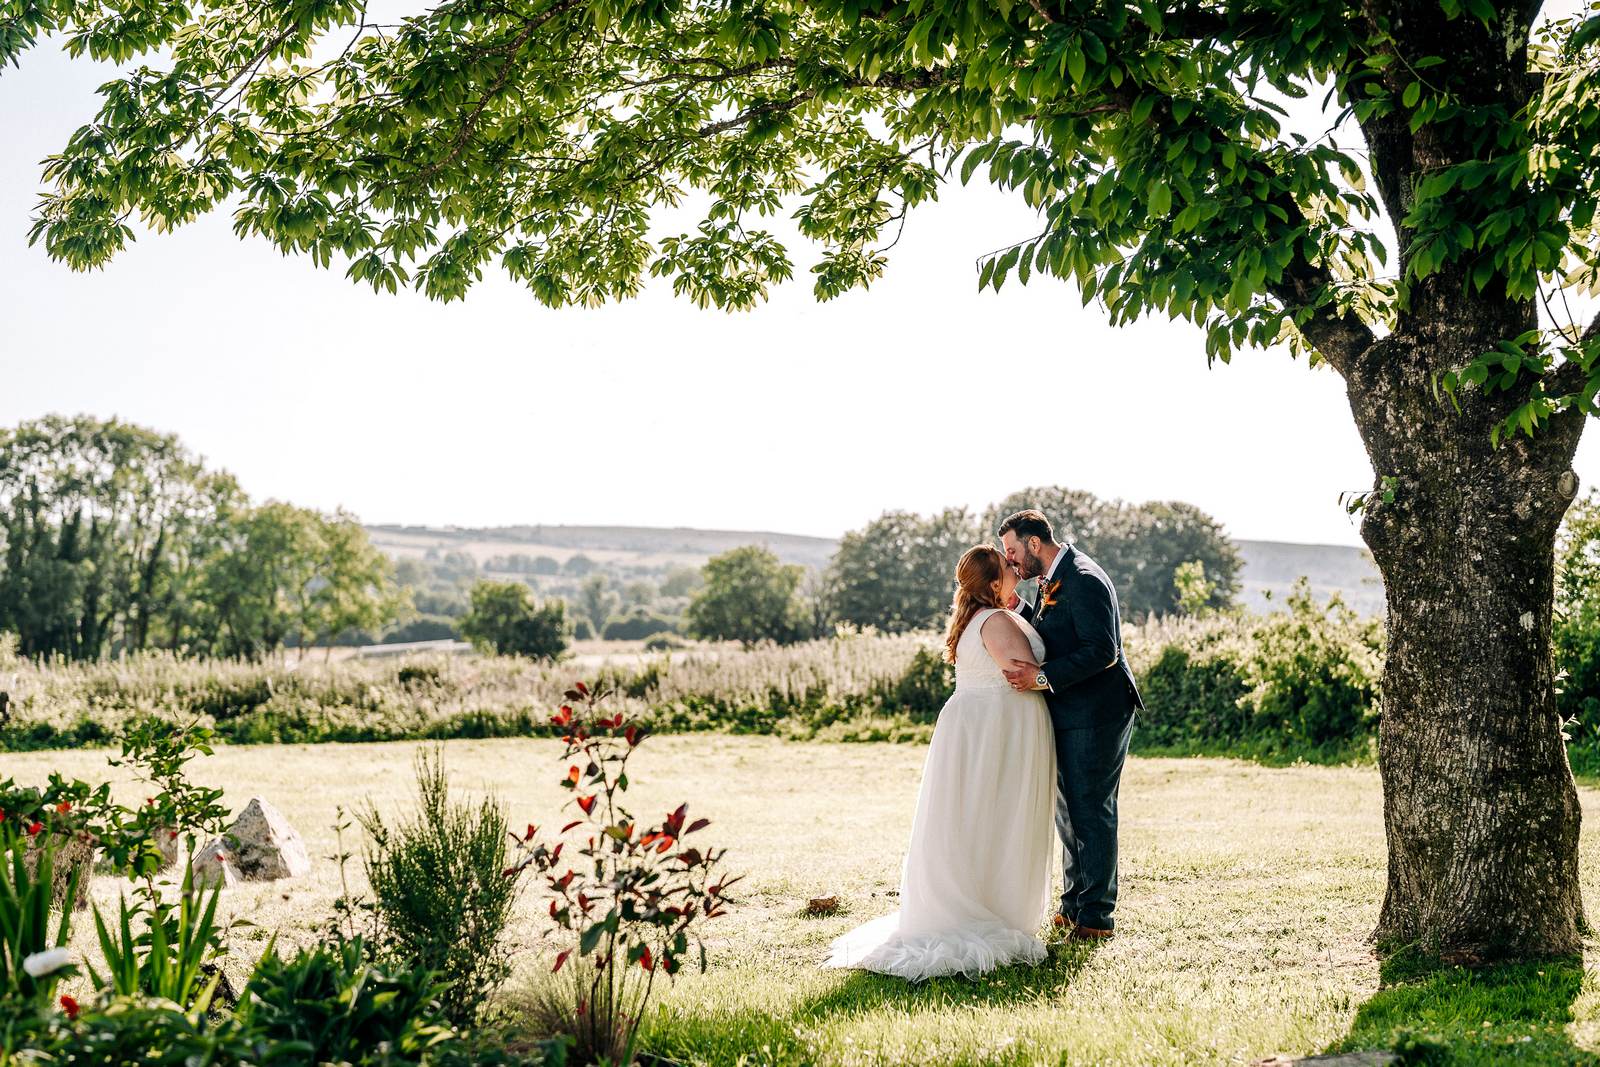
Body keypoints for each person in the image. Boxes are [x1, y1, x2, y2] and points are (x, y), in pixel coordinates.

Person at [822, 545, 1056, 980]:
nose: (1013, 567)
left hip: (979, 726)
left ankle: (982, 898)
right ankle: (989, 907)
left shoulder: (974, 619)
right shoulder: (995, 621)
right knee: (996, 818)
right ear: (991, 583)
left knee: (976, 818)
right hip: (997, 730)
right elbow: (1026, 674)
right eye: (1006, 565)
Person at [999, 509, 1142, 940]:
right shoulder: (1052, 579)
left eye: (1012, 551)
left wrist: (1040, 678)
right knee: (1067, 811)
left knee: (1091, 810)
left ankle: (1096, 918)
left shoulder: (1083, 578)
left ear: (1035, 544)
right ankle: (1074, 904)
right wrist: (1020, 608)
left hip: (1098, 713)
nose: (1010, 562)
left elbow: (1103, 651)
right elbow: (1058, 633)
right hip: (1070, 711)